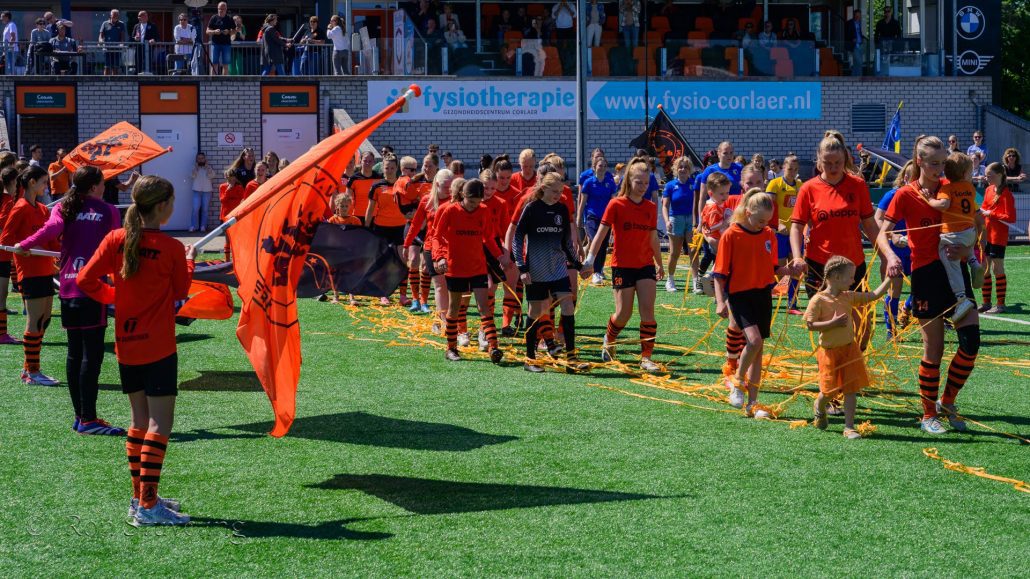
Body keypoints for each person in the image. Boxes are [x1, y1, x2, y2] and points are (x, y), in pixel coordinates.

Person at [77, 175, 195, 526]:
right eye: (172, 202)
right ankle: (147, 505)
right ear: (162, 206)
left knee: (139, 421)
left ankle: (141, 496)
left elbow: (84, 279)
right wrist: (189, 260)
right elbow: (181, 291)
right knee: (159, 423)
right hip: (158, 346)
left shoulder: (116, 238)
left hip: (126, 346)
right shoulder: (171, 247)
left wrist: (115, 297)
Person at [878, 135, 981, 435]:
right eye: (934, 163)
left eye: (942, 163)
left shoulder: (954, 187)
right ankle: (928, 414)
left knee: (971, 343)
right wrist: (891, 257)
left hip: (956, 272)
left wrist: (968, 250)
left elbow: (975, 222)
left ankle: (947, 402)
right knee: (933, 348)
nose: (939, 169)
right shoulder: (905, 194)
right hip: (925, 275)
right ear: (919, 161)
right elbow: (882, 232)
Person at [15, 166, 123, 434]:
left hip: (68, 289)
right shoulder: (108, 211)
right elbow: (119, 247)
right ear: (95, 186)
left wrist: (24, 245)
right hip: (93, 289)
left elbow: (49, 231)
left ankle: (80, 417)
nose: (104, 187)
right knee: (92, 356)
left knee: (75, 353)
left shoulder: (64, 207)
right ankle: (88, 419)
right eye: (103, 183)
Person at [789, 133, 880, 353]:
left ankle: (853, 365)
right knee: (831, 329)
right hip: (820, 266)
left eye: (837, 162)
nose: (833, 167)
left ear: (845, 159)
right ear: (818, 160)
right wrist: (798, 257)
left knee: (862, 328)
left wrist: (886, 252)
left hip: (853, 266)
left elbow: (870, 224)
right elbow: (796, 227)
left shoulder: (857, 185)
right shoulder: (809, 188)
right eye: (827, 163)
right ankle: (832, 371)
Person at [713, 189, 798, 416]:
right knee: (754, 340)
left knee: (758, 350)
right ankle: (738, 380)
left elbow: (773, 268)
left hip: (762, 295)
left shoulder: (768, 234)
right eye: (760, 220)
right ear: (748, 212)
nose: (764, 225)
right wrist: (720, 302)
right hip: (740, 295)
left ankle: (752, 403)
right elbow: (719, 274)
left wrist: (790, 270)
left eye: (767, 221)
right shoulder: (731, 235)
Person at [585, 160, 664, 373]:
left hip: (645, 265)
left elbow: (653, 238)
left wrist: (659, 262)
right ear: (629, 180)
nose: (643, 187)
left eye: (646, 183)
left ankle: (646, 357)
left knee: (648, 312)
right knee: (623, 313)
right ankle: (609, 339)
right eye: (639, 182)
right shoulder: (616, 204)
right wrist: (590, 261)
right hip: (622, 266)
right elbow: (600, 235)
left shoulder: (650, 207)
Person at [805, 255, 894, 438]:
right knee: (828, 392)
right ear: (836, 277)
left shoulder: (848, 296)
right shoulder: (818, 300)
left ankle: (849, 427)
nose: (854, 280)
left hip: (849, 350)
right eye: (851, 277)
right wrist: (832, 323)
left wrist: (889, 278)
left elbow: (873, 296)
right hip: (829, 353)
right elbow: (810, 325)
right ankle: (819, 406)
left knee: (851, 390)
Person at [513, 172, 587, 372]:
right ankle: (530, 359)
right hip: (536, 270)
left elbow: (566, 243)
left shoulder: (562, 209)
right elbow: (517, 238)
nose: (558, 195)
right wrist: (522, 267)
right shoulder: (531, 208)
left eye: (560, 191)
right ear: (544, 188)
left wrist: (578, 266)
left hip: (558, 269)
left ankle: (571, 359)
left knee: (568, 307)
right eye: (554, 191)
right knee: (535, 312)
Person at [433, 178, 509, 363]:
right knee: (454, 308)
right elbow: (437, 236)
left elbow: (488, 238)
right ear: (462, 195)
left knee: (484, 307)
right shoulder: (450, 210)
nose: (475, 205)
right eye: (471, 202)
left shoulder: (483, 210)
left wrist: (500, 256)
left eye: (478, 202)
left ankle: (493, 347)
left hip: (478, 267)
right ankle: (451, 348)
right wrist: (439, 257)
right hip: (456, 268)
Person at [0, 166, 58, 384]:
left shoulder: (42, 209)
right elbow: (6, 240)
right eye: (44, 182)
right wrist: (21, 248)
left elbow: (51, 239)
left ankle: (29, 369)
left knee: (45, 319)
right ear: (32, 182)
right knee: (35, 320)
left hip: (46, 270)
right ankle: (33, 372)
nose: (47, 186)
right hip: (30, 272)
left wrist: (61, 255)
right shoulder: (20, 208)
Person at [927, 152, 982, 322]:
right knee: (966, 244)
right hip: (970, 232)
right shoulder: (970, 188)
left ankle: (961, 299)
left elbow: (944, 205)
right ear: (964, 173)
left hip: (952, 234)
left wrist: (930, 200)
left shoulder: (947, 189)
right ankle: (974, 262)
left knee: (951, 264)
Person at [873, 161, 916, 340]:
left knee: (922, 288)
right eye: (913, 177)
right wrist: (893, 235)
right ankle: (891, 330)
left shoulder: (925, 196)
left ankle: (906, 308)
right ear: (905, 177)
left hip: (917, 249)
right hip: (896, 250)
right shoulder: (892, 195)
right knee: (894, 290)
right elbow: (878, 219)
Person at [405, 169, 454, 319]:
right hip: (431, 247)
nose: (449, 190)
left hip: (451, 248)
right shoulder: (427, 200)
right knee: (439, 285)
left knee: (450, 286)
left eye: (451, 186)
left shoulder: (455, 200)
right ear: (437, 184)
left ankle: (451, 319)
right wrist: (407, 244)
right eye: (446, 186)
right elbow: (415, 224)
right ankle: (441, 319)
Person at [365, 156, 408, 305]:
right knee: (383, 262)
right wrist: (366, 228)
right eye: (386, 168)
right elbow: (370, 209)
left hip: (400, 228)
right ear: (382, 168)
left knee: (403, 260)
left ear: (397, 169)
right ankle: (383, 294)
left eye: (392, 168)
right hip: (381, 228)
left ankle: (403, 296)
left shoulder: (403, 184)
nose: (389, 171)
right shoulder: (376, 186)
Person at [765, 154, 803, 313]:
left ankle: (792, 304)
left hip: (795, 233)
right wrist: (778, 223)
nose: (792, 172)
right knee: (778, 269)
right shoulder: (775, 184)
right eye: (790, 169)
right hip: (779, 233)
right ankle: (763, 294)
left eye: (795, 169)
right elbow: (768, 207)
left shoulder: (800, 185)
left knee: (796, 266)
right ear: (783, 168)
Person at [979, 162, 1017, 314]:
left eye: (990, 176)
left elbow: (1011, 217)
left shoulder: (1006, 193)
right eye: (986, 175)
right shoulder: (988, 190)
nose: (987, 178)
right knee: (985, 268)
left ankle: (1000, 305)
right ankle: (986, 303)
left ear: (1000, 175)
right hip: (986, 234)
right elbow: (983, 207)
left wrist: (991, 214)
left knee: (997, 268)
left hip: (998, 236)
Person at [578, 156, 617, 285]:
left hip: (606, 219)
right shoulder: (589, 182)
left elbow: (613, 201)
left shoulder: (610, 183)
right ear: (594, 167)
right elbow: (583, 201)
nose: (603, 168)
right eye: (600, 165)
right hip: (592, 217)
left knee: (603, 245)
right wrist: (579, 218)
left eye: (605, 166)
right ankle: (594, 271)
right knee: (595, 240)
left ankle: (598, 270)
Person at [662, 156, 697, 293]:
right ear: (676, 169)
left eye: (686, 167)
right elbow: (665, 206)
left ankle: (696, 282)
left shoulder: (694, 184)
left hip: (691, 220)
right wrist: (667, 221)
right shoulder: (670, 185)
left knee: (693, 251)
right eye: (680, 167)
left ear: (690, 170)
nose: (683, 169)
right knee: (674, 253)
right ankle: (670, 280)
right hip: (675, 219)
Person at [347, 151, 382, 226]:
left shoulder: (379, 178)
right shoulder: (353, 179)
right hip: (357, 216)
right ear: (360, 161)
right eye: (365, 160)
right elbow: (347, 199)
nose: (367, 163)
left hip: (375, 216)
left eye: (370, 161)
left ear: (374, 162)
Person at [189, 152, 215, 232]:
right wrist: (196, 169)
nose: (200, 160)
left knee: (205, 209)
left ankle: (203, 226)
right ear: (196, 159)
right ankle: (193, 226)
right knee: (195, 209)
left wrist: (208, 168)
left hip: (207, 191)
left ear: (205, 159)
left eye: (202, 158)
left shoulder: (208, 167)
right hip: (196, 191)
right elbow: (191, 176)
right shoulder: (194, 167)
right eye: (199, 158)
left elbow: (212, 176)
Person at [207, 2, 234, 76]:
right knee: (214, 63)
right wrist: (214, 31)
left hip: (226, 44)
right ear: (217, 8)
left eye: (223, 9)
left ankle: (224, 81)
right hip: (215, 44)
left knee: (225, 64)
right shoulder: (214, 18)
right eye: (219, 9)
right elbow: (207, 31)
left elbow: (234, 31)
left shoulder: (229, 18)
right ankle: (212, 81)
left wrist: (228, 32)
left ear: (226, 9)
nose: (221, 10)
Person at [98, 9, 126, 75]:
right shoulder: (105, 23)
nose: (116, 16)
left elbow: (122, 37)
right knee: (107, 67)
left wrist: (122, 44)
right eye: (114, 15)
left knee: (115, 67)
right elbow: (100, 36)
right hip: (107, 49)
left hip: (117, 49)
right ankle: (105, 81)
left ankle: (114, 81)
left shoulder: (121, 24)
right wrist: (100, 41)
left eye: (117, 15)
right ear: (110, 15)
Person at [845, 10, 865, 76]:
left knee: (856, 63)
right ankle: (860, 77)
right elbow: (847, 34)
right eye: (856, 15)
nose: (858, 16)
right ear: (854, 15)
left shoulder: (859, 23)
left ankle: (854, 77)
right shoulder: (850, 23)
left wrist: (862, 39)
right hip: (854, 46)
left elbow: (859, 33)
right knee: (859, 62)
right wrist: (852, 39)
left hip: (860, 45)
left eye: (859, 15)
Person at [3, 11, 21, 76]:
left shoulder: (11, 25)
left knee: (10, 68)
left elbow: (13, 37)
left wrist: (7, 47)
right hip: (8, 50)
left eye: (2, 17)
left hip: (12, 50)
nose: (1, 19)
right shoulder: (7, 26)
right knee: (8, 67)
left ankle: (12, 80)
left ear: (7, 17)